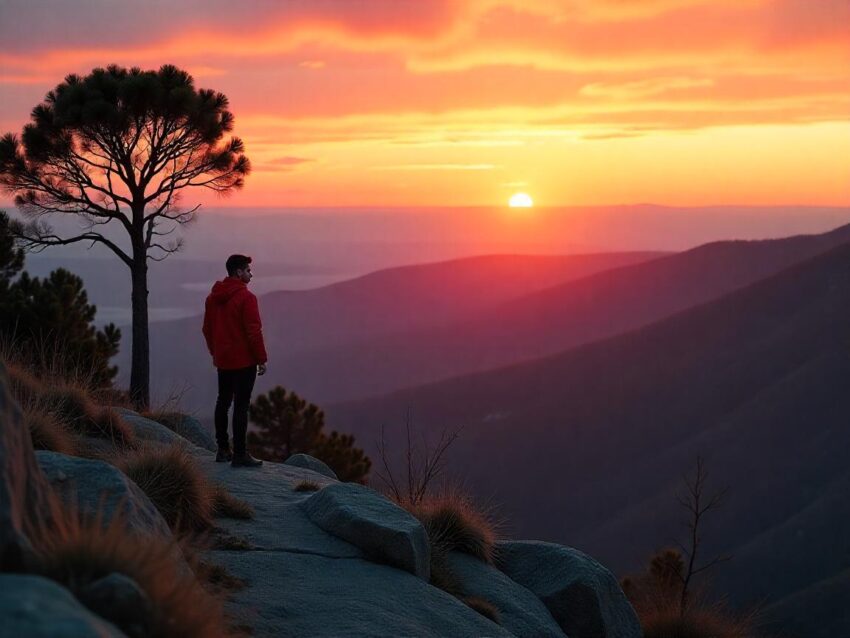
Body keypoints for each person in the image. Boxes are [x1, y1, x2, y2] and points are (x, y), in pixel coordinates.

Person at [203, 254, 268, 468]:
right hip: (244, 361)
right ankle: (240, 454)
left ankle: (222, 450)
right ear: (239, 272)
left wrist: (216, 352)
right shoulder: (247, 298)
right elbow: (253, 332)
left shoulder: (213, 298)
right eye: (248, 270)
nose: (251, 273)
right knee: (241, 406)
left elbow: (207, 329)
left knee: (223, 401)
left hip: (223, 360)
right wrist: (261, 359)